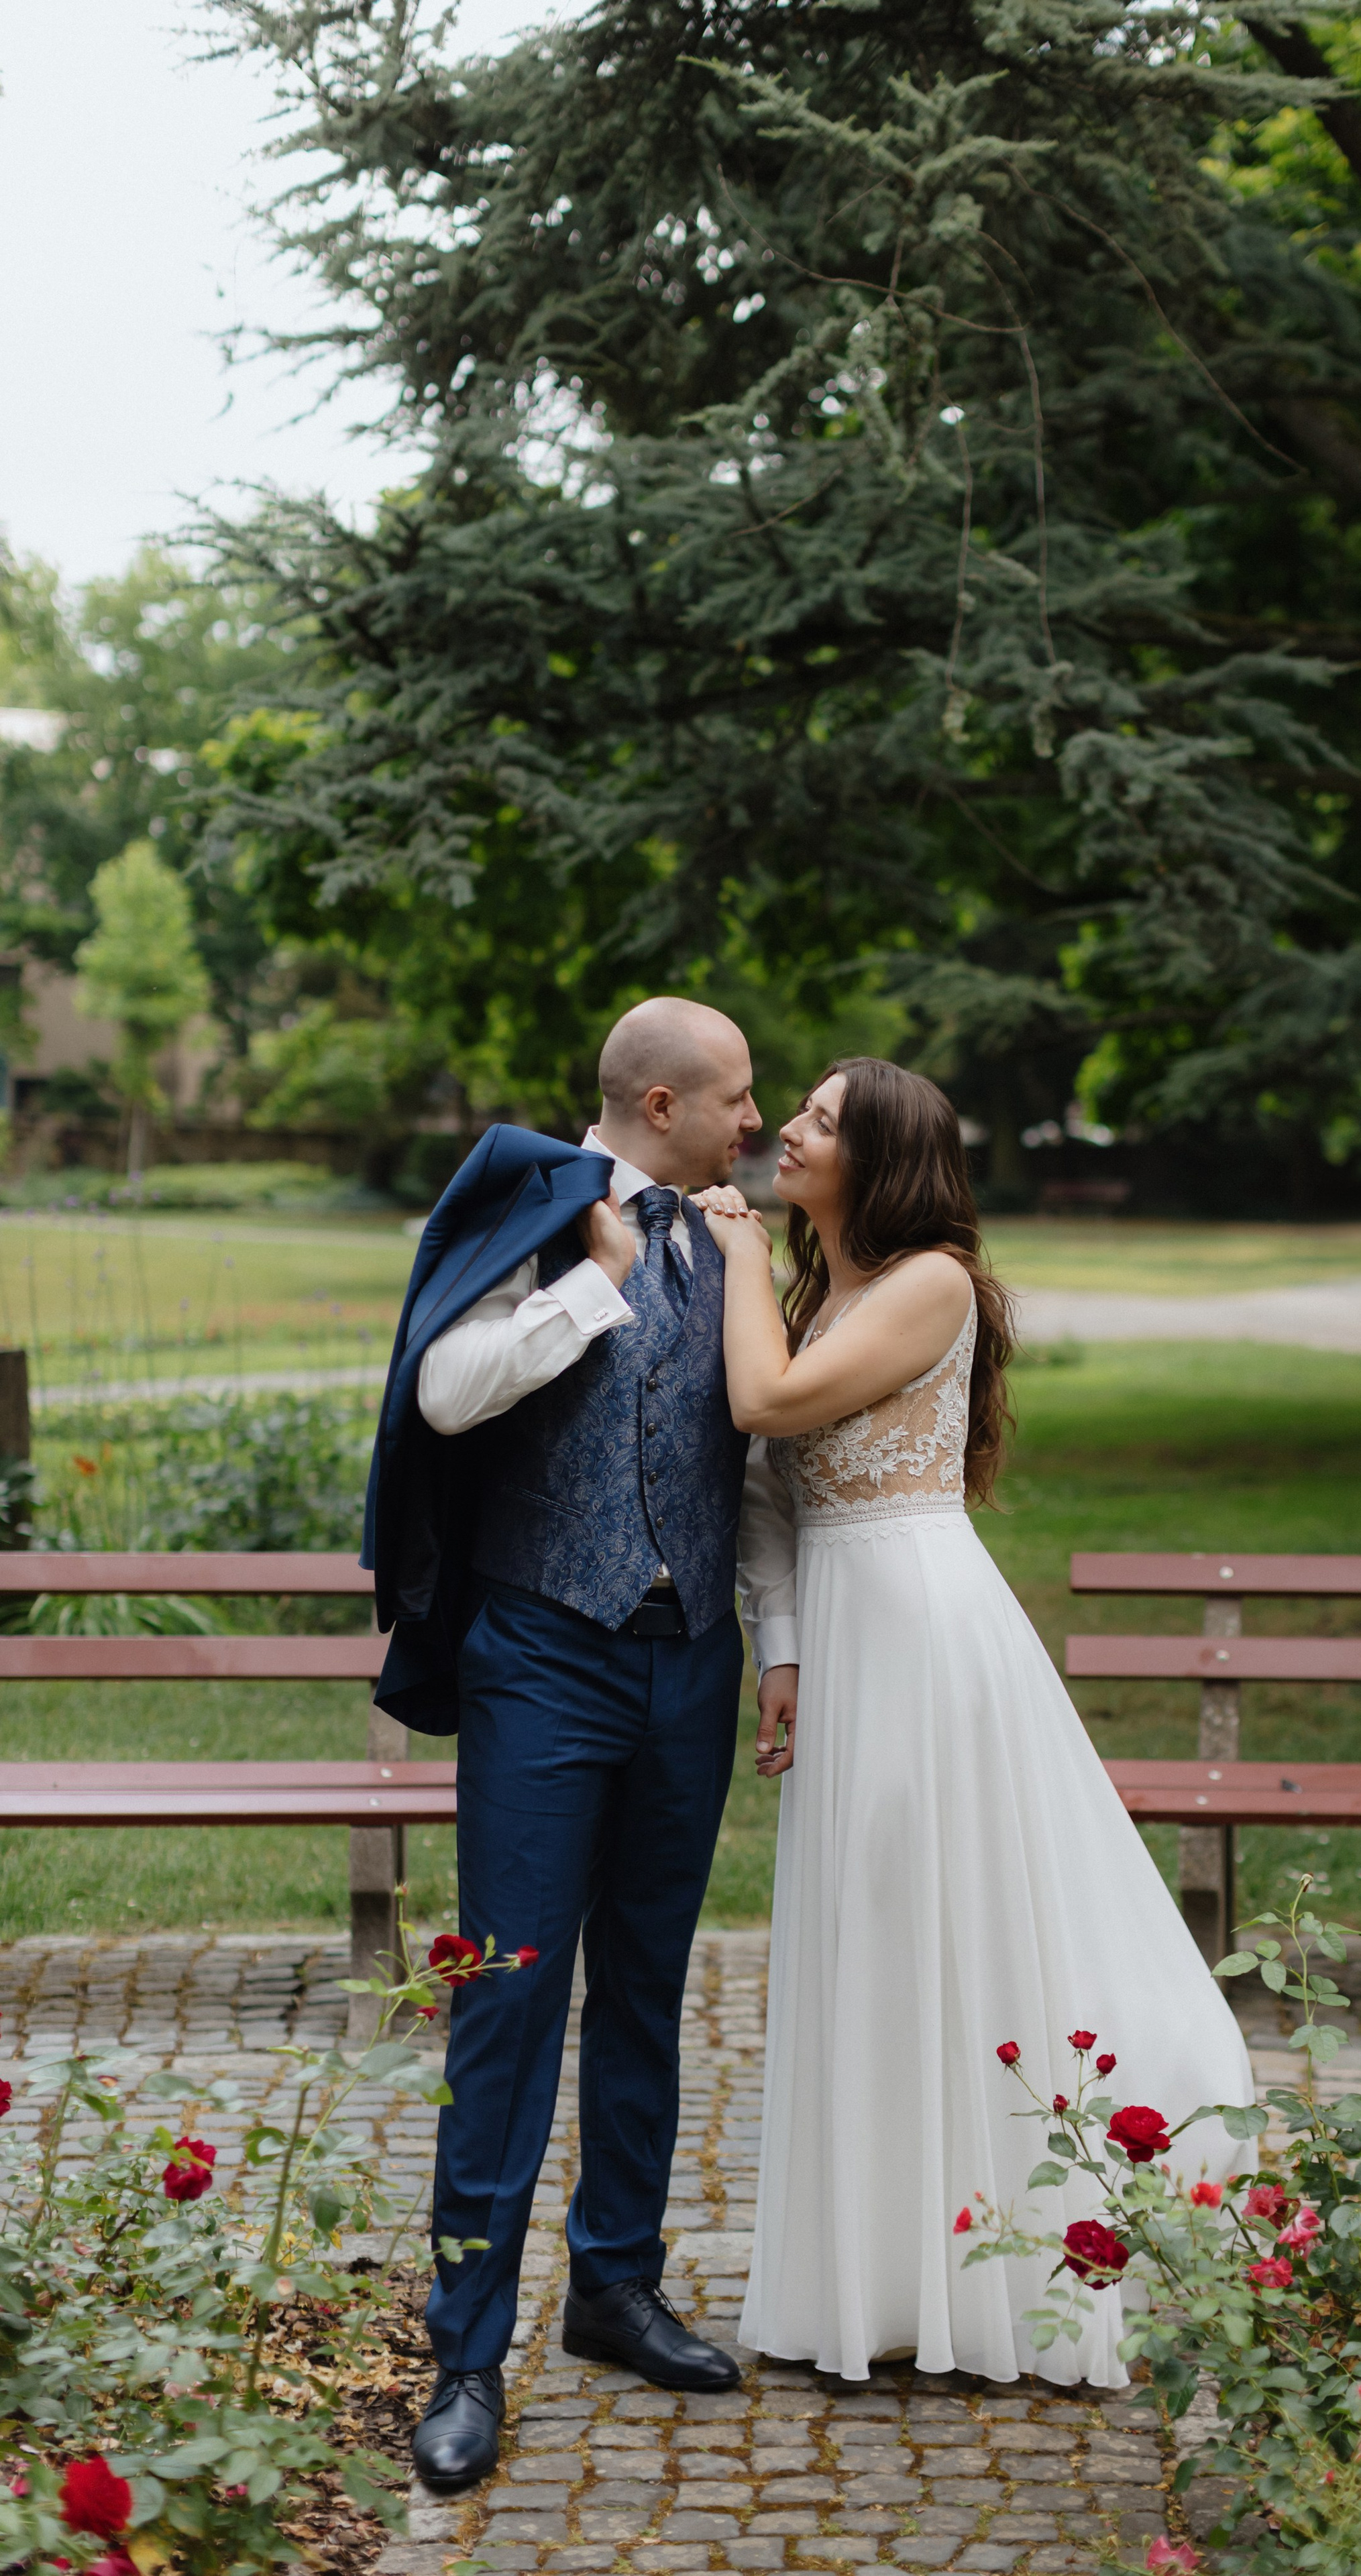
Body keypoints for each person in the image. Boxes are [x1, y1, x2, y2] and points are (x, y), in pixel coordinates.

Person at [695, 1058, 1254, 2386]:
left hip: (920, 1631)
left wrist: (725, 1250)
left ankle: (1001, 2275)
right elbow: (771, 1494)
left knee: (948, 1924)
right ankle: (881, 2275)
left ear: (880, 1158)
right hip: (839, 1628)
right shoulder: (816, 1288)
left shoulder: (929, 1280)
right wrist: (776, 1650)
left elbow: (762, 1405)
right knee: (869, 1937)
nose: (789, 1127)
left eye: (822, 1120)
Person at [397, 999, 801, 2489]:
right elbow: (443, 1393)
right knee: (509, 1996)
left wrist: (779, 1640)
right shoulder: (541, 1211)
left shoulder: (723, 1241)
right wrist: (593, 1290)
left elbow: (748, 1463)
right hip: (544, 1660)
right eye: (736, 1098)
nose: (752, 1122)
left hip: (686, 1662)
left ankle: (613, 2287)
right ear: (655, 1100)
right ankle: (463, 2353)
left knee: (648, 1983)